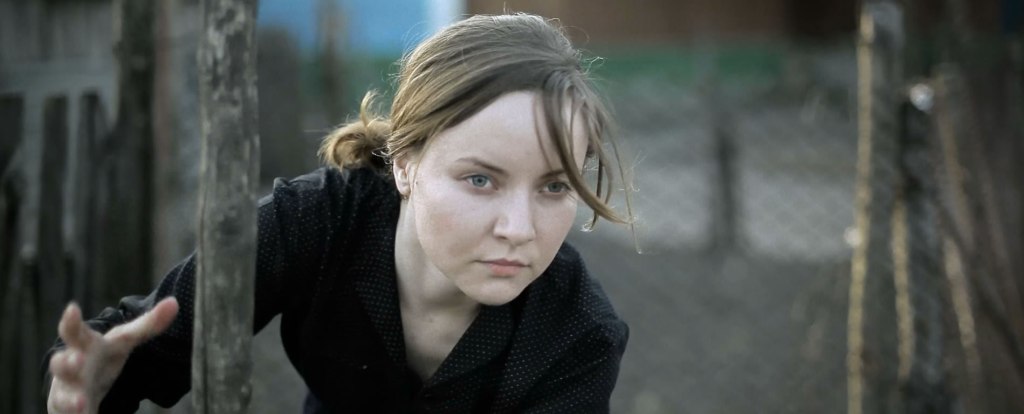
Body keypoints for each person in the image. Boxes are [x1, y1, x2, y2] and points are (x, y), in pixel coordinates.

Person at [44, 13, 634, 414]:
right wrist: (92, 386)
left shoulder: (577, 337)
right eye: (481, 179)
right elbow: (137, 352)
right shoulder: (317, 222)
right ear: (405, 164)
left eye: (554, 187)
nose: (519, 229)